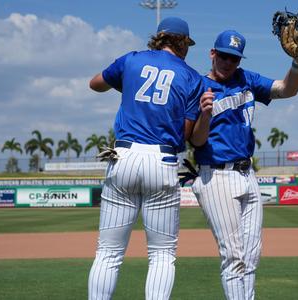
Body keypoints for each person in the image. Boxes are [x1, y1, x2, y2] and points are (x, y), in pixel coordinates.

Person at [87, 17, 210, 300]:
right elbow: (187, 134)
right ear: (180, 42)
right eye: (187, 44)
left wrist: (128, 86)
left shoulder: (131, 60)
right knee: (162, 255)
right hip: (162, 160)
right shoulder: (192, 77)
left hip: (125, 156)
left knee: (108, 252)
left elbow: (95, 84)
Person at [189, 29, 298, 300]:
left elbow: (287, 89)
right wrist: (205, 115)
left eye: (235, 59)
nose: (229, 63)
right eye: (224, 56)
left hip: (247, 174)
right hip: (216, 176)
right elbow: (196, 140)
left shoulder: (246, 79)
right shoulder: (197, 86)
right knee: (233, 256)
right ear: (212, 53)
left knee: (251, 257)